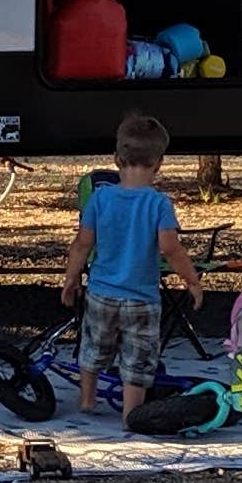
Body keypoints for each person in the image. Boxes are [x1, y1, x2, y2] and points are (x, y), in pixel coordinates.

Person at [62, 110, 201, 420]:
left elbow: (82, 243)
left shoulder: (100, 199)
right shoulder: (159, 203)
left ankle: (87, 400)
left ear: (116, 159)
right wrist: (192, 280)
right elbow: (170, 248)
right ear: (159, 163)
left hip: (101, 293)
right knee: (138, 357)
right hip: (142, 297)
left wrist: (71, 278)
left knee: (93, 347)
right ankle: (131, 415)